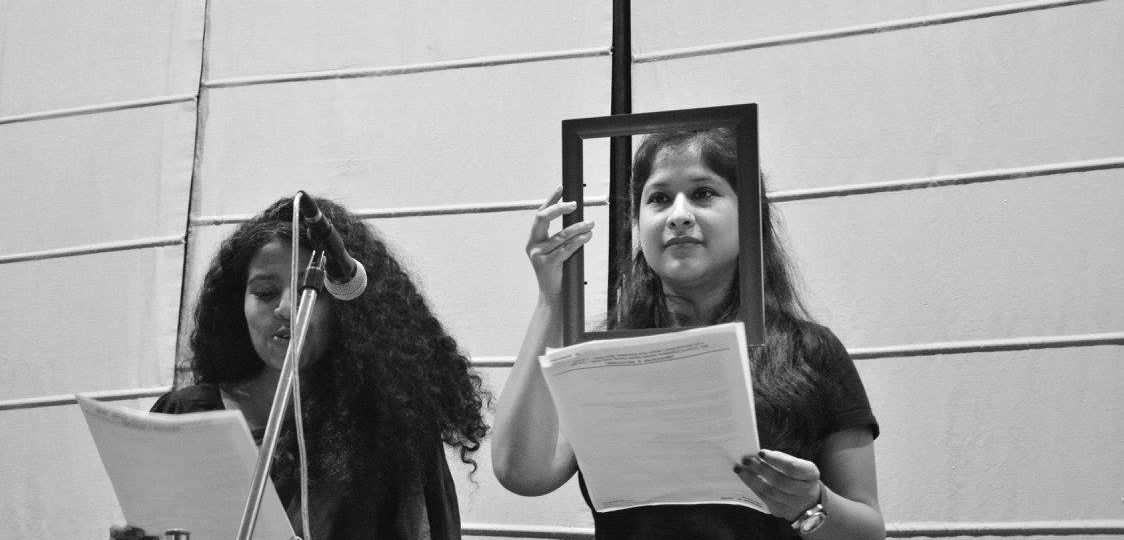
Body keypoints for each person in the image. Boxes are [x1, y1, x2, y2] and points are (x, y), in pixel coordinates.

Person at [491, 128, 884, 539]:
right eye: (658, 198)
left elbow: (869, 531)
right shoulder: (603, 356)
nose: (679, 215)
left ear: (749, 213)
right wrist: (551, 301)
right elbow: (522, 473)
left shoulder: (810, 352)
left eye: (703, 193)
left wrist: (810, 503)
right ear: (637, 222)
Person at [137, 195, 489, 538]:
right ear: (236, 305)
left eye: (313, 290)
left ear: (347, 306)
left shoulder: (390, 434)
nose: (287, 309)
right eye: (265, 292)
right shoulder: (184, 414)